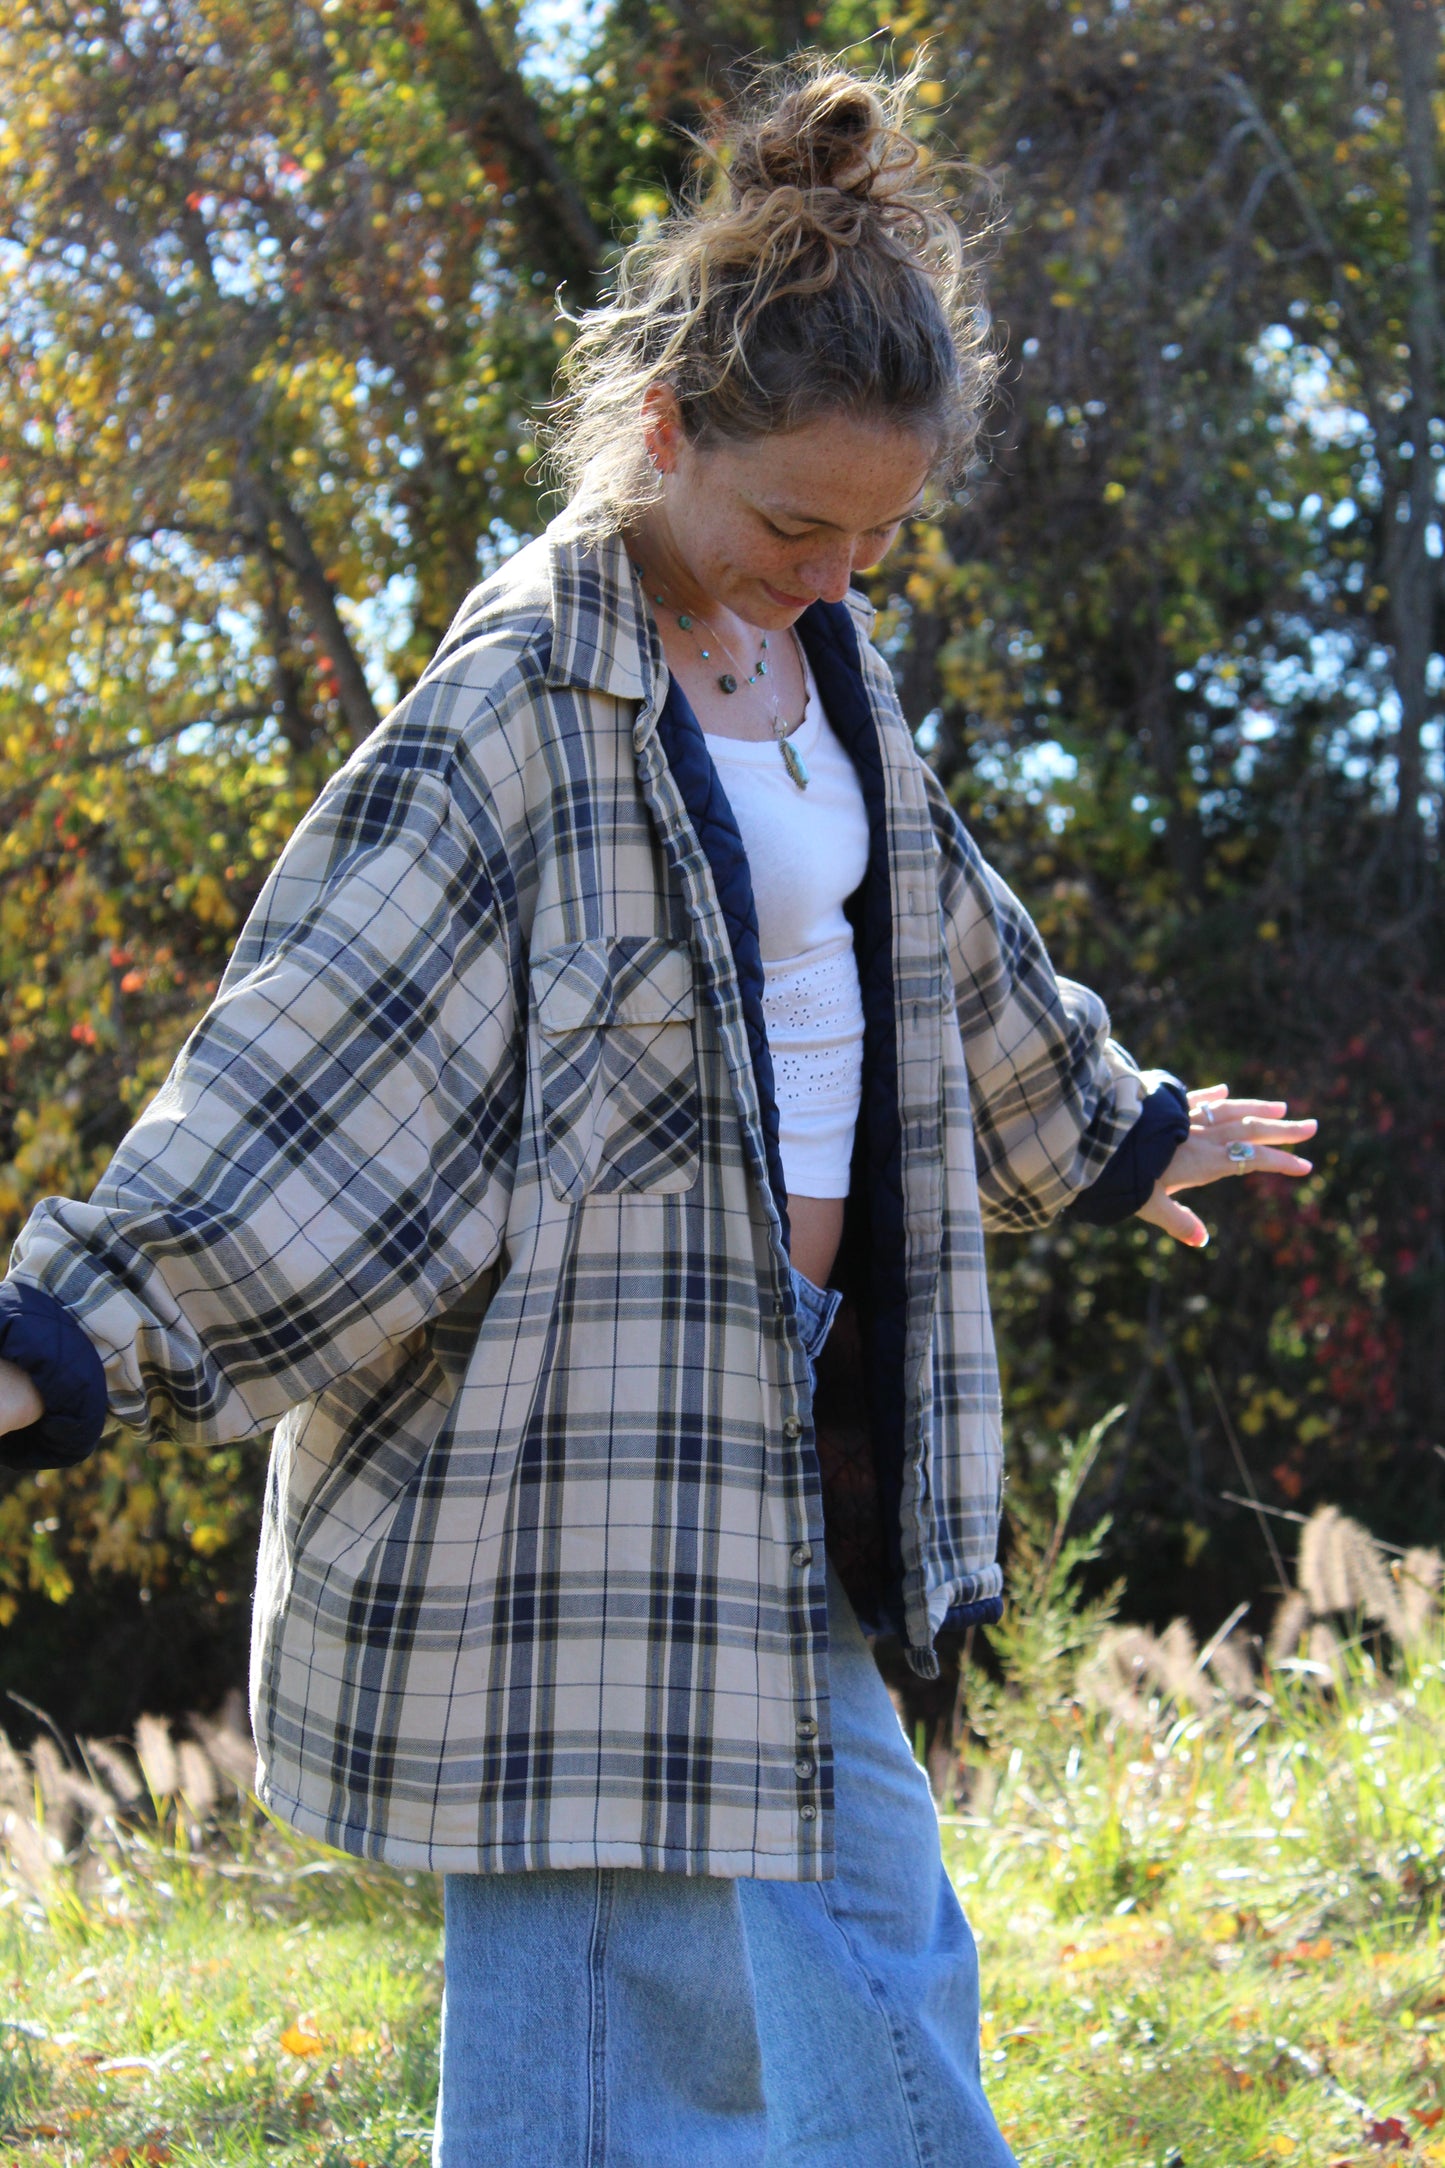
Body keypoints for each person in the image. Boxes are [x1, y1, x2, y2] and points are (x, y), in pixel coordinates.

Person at [0, 57, 1315, 2167]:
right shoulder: (518, 705)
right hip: (573, 1456)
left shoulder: (825, 670)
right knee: (619, 2047)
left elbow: (930, 932)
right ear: (665, 429)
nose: (836, 567)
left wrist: (1117, 1127)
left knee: (858, 1944)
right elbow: (322, 1044)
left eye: (881, 533)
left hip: (791, 1415)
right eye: (798, 522)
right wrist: (69, 1334)